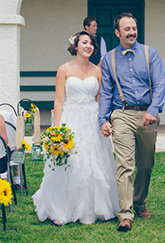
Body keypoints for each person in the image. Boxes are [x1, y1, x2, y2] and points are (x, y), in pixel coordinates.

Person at [33, 31, 119, 225]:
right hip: (70, 119)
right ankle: (63, 208)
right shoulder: (64, 69)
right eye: (84, 42)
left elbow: (101, 100)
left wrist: (103, 121)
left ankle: (93, 207)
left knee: (94, 161)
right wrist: (56, 130)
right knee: (70, 161)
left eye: (91, 44)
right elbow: (59, 100)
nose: (88, 46)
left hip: (91, 119)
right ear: (76, 46)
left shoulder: (98, 71)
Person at [98, 13, 165, 233]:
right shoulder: (108, 59)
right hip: (122, 114)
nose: (132, 32)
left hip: (148, 113)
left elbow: (160, 84)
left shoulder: (151, 53)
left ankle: (139, 201)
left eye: (134, 28)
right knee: (124, 164)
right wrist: (103, 119)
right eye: (127, 29)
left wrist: (153, 110)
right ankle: (125, 214)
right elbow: (106, 93)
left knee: (145, 165)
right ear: (117, 33)